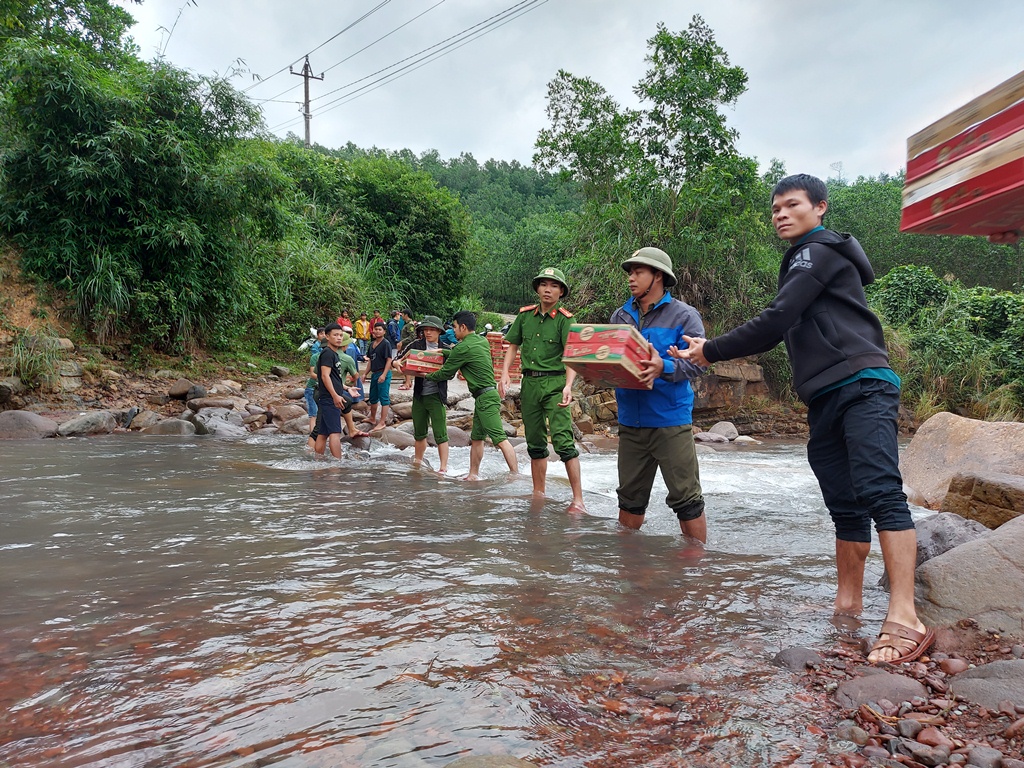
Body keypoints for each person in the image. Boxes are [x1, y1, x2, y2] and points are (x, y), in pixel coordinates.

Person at [672, 173, 932, 665]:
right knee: (845, 505)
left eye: (792, 205)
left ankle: (904, 615)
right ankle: (848, 606)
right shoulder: (805, 261)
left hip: (863, 384)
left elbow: (774, 320)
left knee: (880, 491)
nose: (781, 215)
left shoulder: (818, 251)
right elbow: (780, 325)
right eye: (775, 209)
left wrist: (710, 351)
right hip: (826, 395)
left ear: (821, 208)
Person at [612, 247, 709, 544]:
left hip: (670, 421)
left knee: (686, 499)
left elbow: (698, 365)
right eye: (630, 272)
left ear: (659, 276)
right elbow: (614, 361)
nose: (631, 277)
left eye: (638, 272)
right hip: (630, 421)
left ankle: (697, 569)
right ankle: (626, 564)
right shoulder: (620, 315)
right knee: (629, 498)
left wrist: (662, 366)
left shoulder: (685, 316)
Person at [500, 267, 586, 513]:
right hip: (529, 384)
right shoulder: (525, 316)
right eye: (544, 284)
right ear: (537, 288)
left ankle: (578, 499)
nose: (548, 289)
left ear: (561, 291)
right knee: (535, 441)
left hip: (555, 383)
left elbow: (572, 356)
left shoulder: (565, 319)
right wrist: (505, 373)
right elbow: (513, 345)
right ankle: (539, 493)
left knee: (563, 441)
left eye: (554, 285)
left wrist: (569, 386)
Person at [425, 311, 519, 480]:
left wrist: (425, 375)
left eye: (454, 326)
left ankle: (515, 475)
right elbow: (462, 353)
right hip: (486, 396)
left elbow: (446, 373)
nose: (452, 330)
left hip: (485, 398)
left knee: (500, 439)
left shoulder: (463, 347)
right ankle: (473, 475)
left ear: (463, 327)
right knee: (477, 438)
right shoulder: (481, 341)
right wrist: (445, 352)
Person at [394, 315, 453, 474]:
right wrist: (397, 364)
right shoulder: (417, 345)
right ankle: (418, 462)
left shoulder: (447, 348)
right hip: (419, 395)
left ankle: (443, 468)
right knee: (419, 432)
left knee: (441, 433)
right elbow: (397, 359)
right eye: (426, 329)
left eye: (432, 329)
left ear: (439, 331)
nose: (428, 332)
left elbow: (452, 372)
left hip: (437, 396)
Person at [314, 324, 366, 458]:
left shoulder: (334, 354)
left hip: (330, 397)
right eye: (335, 335)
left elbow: (334, 378)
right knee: (335, 433)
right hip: (329, 398)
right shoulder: (327, 353)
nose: (338, 338)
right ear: (327, 336)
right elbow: (324, 376)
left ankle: (317, 461)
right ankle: (338, 464)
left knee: (323, 433)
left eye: (340, 335)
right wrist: (335, 396)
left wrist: (348, 388)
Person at [364, 320, 394, 433]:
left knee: (384, 398)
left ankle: (382, 422)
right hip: (375, 374)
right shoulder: (372, 344)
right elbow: (370, 361)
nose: (377, 331)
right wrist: (365, 374)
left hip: (383, 373)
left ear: (384, 332)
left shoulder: (385, 344)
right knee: (373, 397)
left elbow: (389, 360)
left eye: (380, 329)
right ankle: (372, 418)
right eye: (375, 329)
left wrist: (384, 375)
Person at [304, 327, 326, 438]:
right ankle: (313, 437)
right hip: (312, 387)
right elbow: (312, 374)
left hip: (321, 388)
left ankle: (317, 436)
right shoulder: (315, 356)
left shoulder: (332, 357)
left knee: (319, 413)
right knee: (313, 414)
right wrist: (324, 378)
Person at [397, 308, 417, 390]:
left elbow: (412, 336)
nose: (402, 316)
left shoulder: (410, 325)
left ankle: (407, 382)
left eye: (403, 314)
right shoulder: (406, 324)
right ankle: (407, 381)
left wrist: (402, 342)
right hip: (404, 347)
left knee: (405, 364)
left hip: (407, 347)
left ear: (406, 315)